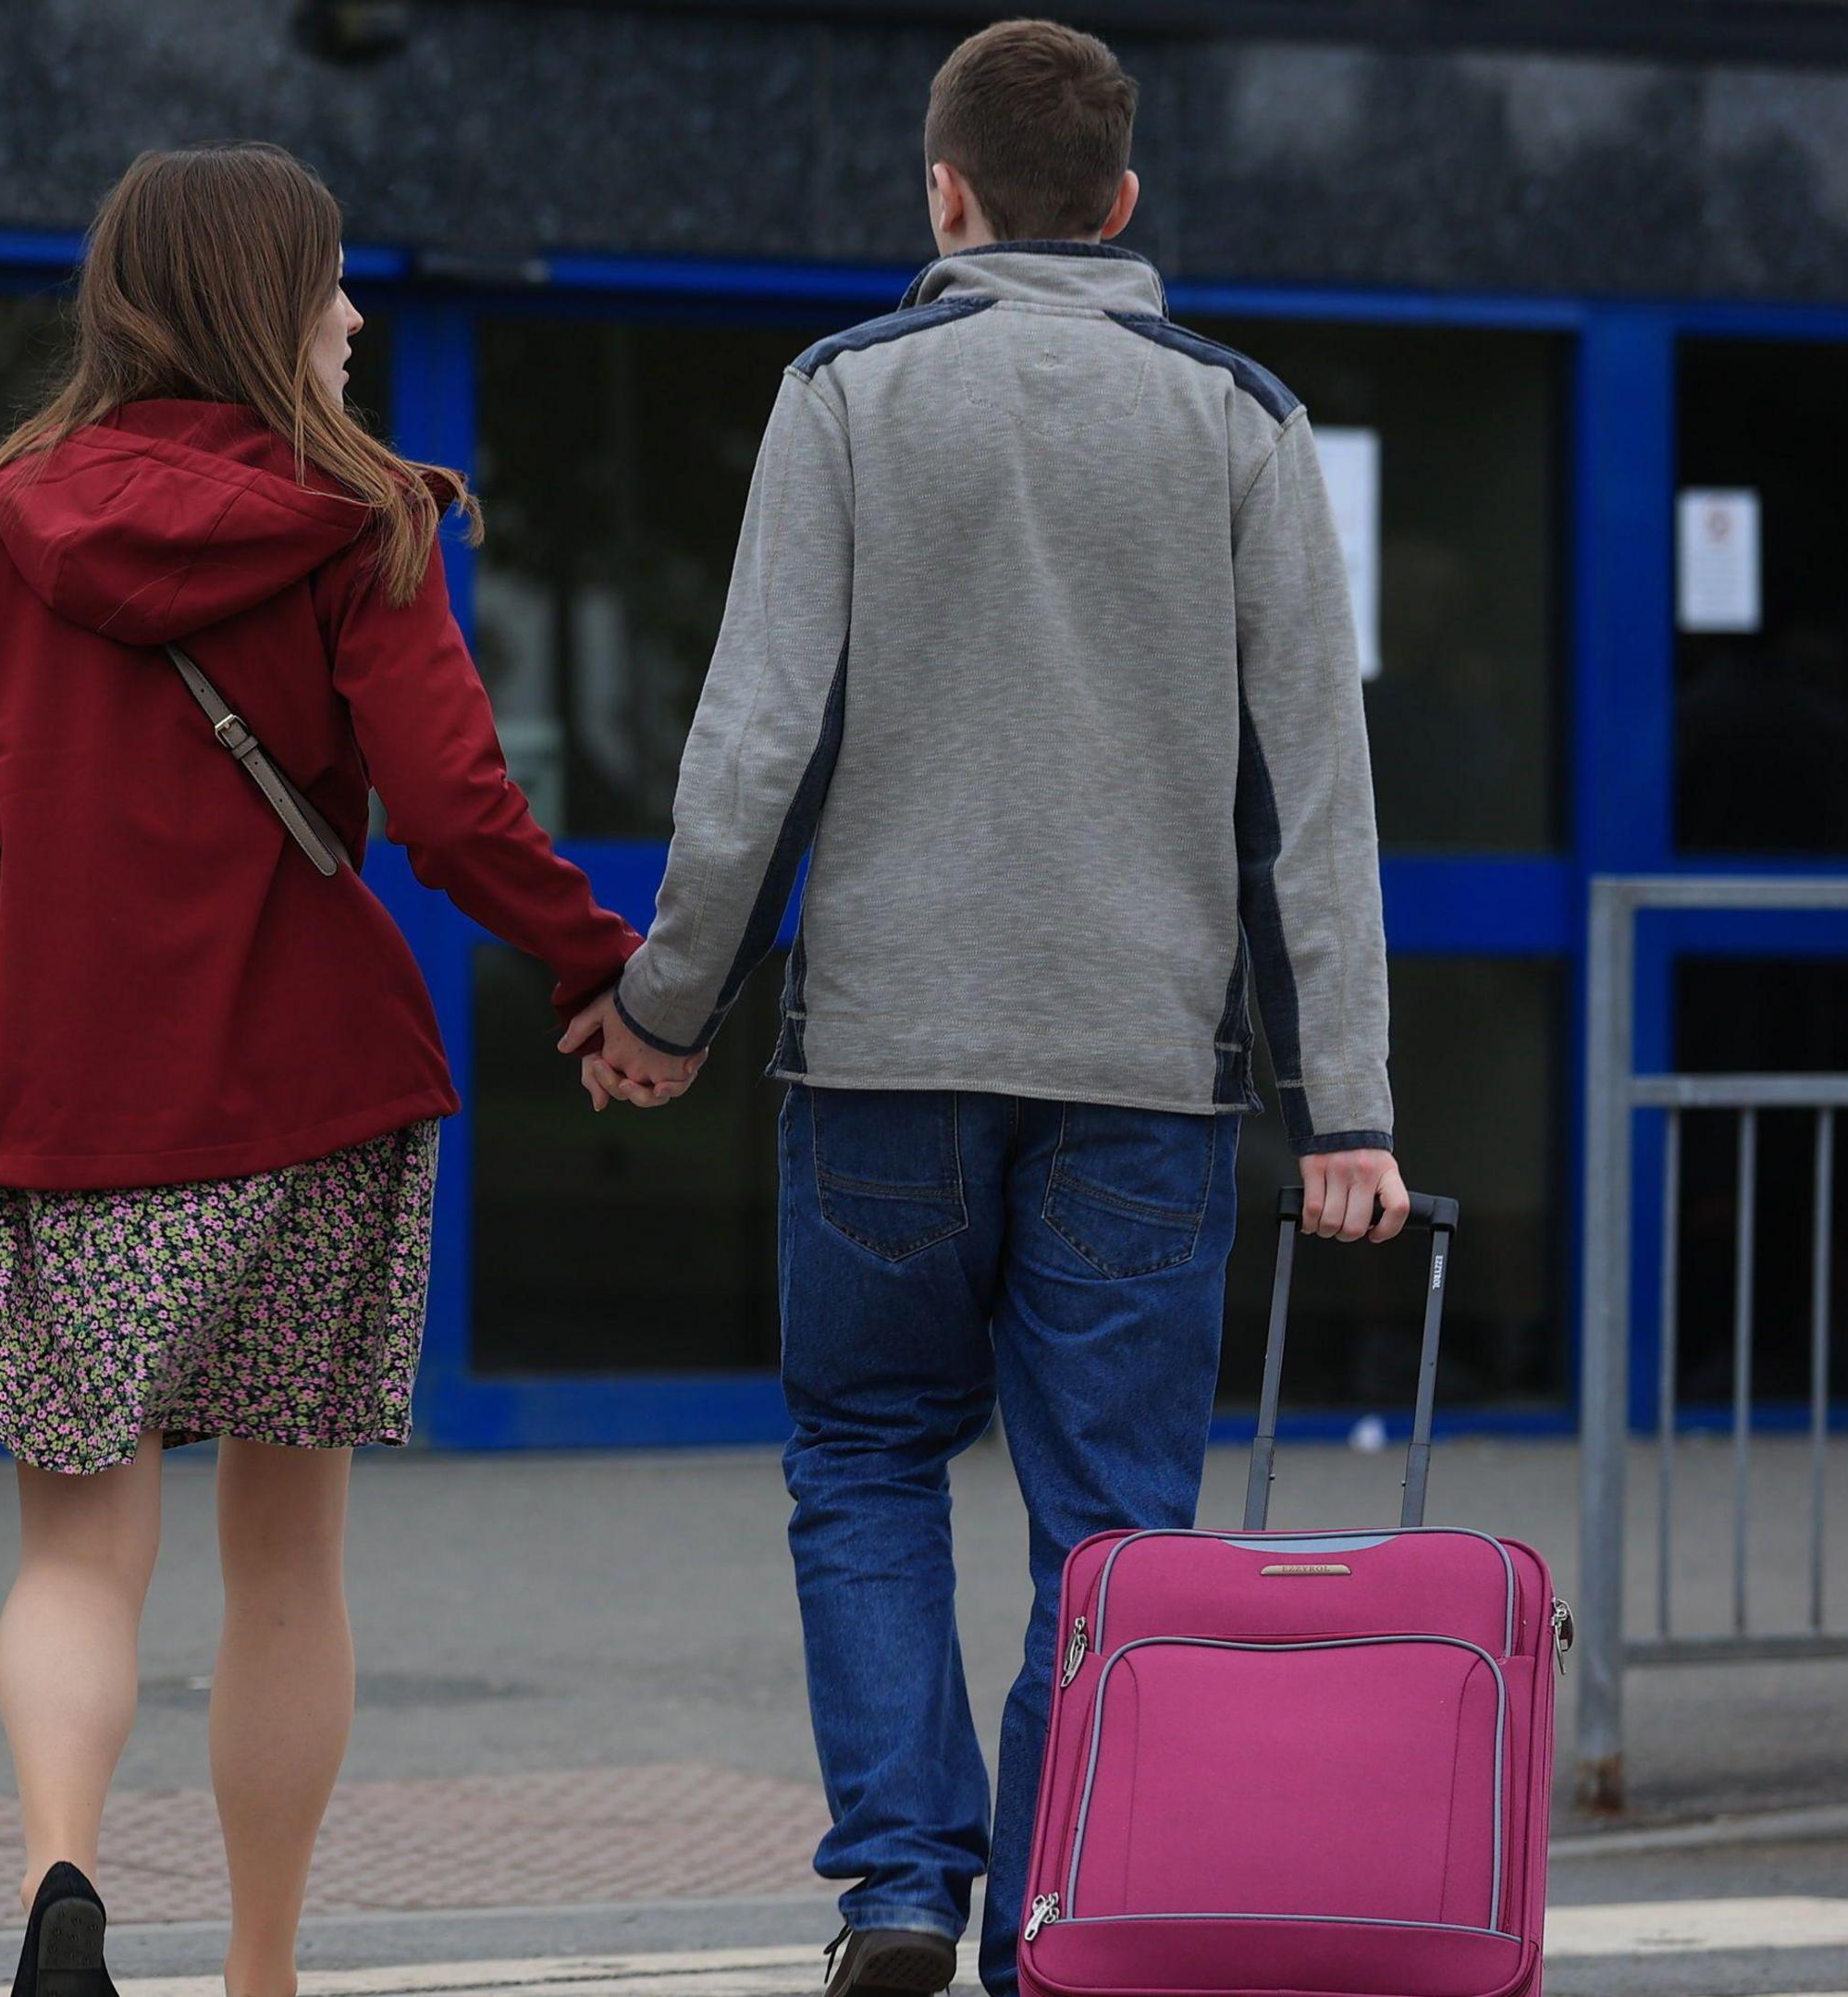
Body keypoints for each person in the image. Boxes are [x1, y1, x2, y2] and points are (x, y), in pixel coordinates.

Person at [567, 20, 1411, 1996]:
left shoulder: (845, 397)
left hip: (882, 1059)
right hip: (1146, 1069)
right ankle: (1053, 1911)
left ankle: (891, 1889)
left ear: (940, 195)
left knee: (863, 1460)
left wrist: (665, 1001)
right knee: (1115, 1535)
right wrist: (1347, 1106)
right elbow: (1313, 794)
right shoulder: (1244, 423)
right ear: (1122, 210)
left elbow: (757, 739)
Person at [0, 142, 638, 1997]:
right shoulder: (367, 523)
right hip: (312, 1101)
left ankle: (57, 1883)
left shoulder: (9, 518)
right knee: (287, 1569)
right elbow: (456, 812)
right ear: (268, 302)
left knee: (75, 1558)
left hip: (62, 1103)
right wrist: (608, 970)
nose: (356, 321)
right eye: (335, 286)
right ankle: (262, 1970)